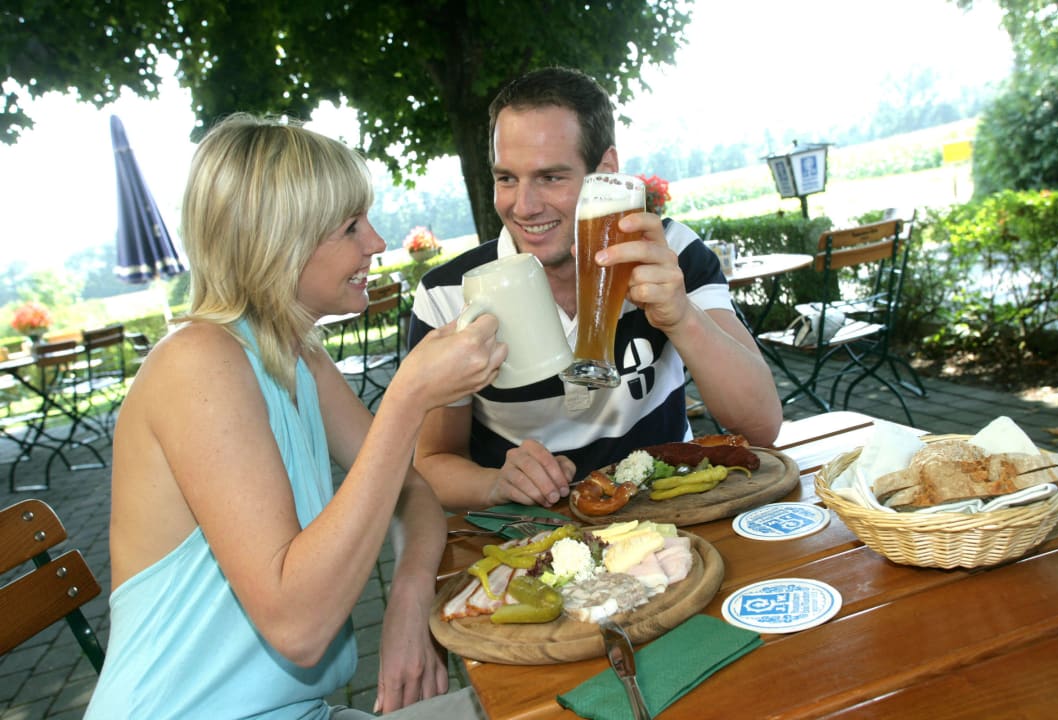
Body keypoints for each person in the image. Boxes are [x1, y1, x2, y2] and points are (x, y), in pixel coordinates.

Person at [85, 114, 502, 719]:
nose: (377, 243)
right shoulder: (198, 362)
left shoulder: (297, 355)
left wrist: (410, 601)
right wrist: (408, 399)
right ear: (278, 240)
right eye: (350, 227)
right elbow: (299, 626)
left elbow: (412, 492)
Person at [407, 67, 782, 511]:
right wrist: (495, 484)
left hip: (675, 512)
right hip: (534, 536)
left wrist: (681, 317)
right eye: (507, 178)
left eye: (550, 177)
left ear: (605, 171)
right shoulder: (447, 295)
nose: (523, 206)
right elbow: (432, 461)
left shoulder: (669, 252)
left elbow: (761, 427)